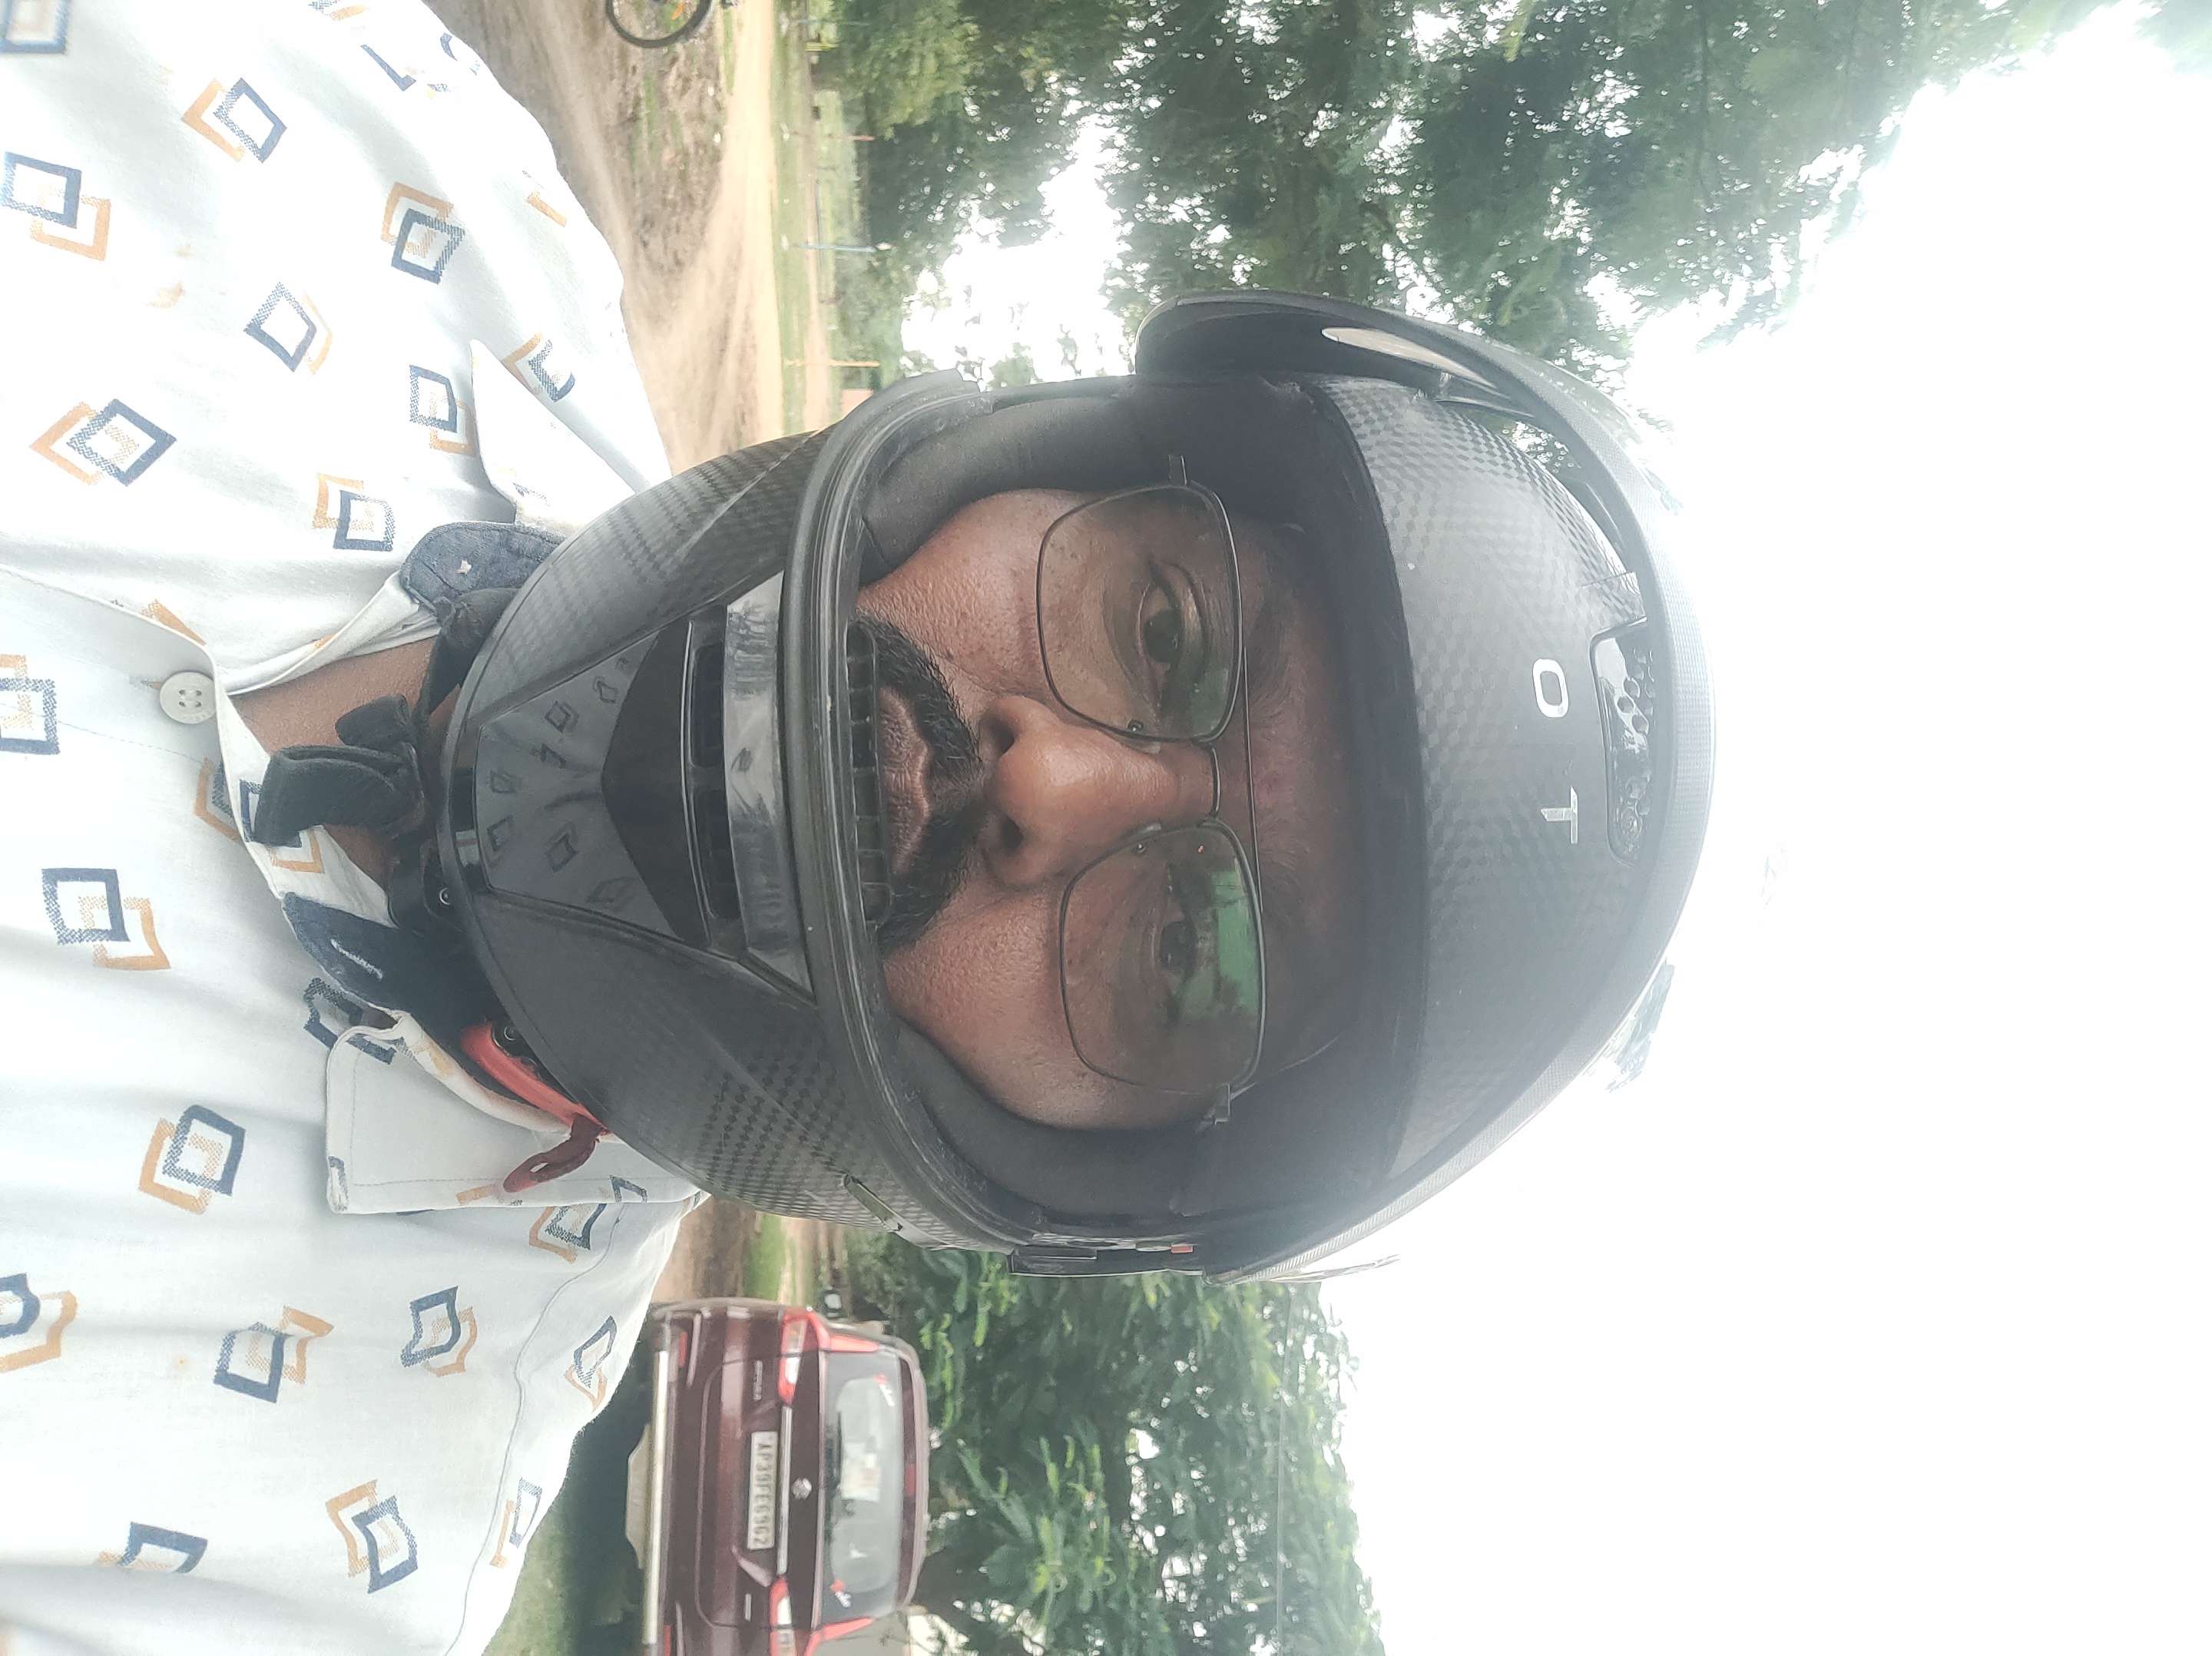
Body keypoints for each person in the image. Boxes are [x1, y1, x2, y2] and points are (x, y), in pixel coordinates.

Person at [2, 2, 1710, 1651]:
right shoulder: (416, 175)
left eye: (1192, 954)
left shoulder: (296, 1572)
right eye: (1164, 630)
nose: (1055, 785)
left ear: (1067, 1168)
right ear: (1045, 456)